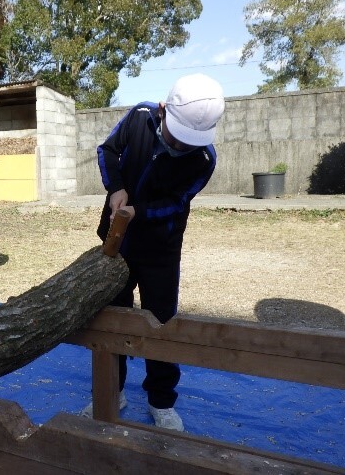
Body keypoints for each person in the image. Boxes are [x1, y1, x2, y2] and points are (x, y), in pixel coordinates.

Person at [81, 73, 224, 431]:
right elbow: (107, 150)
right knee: (112, 317)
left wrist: (138, 213)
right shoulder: (138, 117)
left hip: (160, 248)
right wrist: (116, 189)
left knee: (161, 324)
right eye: (178, 139)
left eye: (189, 143)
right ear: (163, 111)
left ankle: (161, 400)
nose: (181, 148)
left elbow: (176, 203)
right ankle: (112, 392)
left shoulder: (203, 159)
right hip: (117, 241)